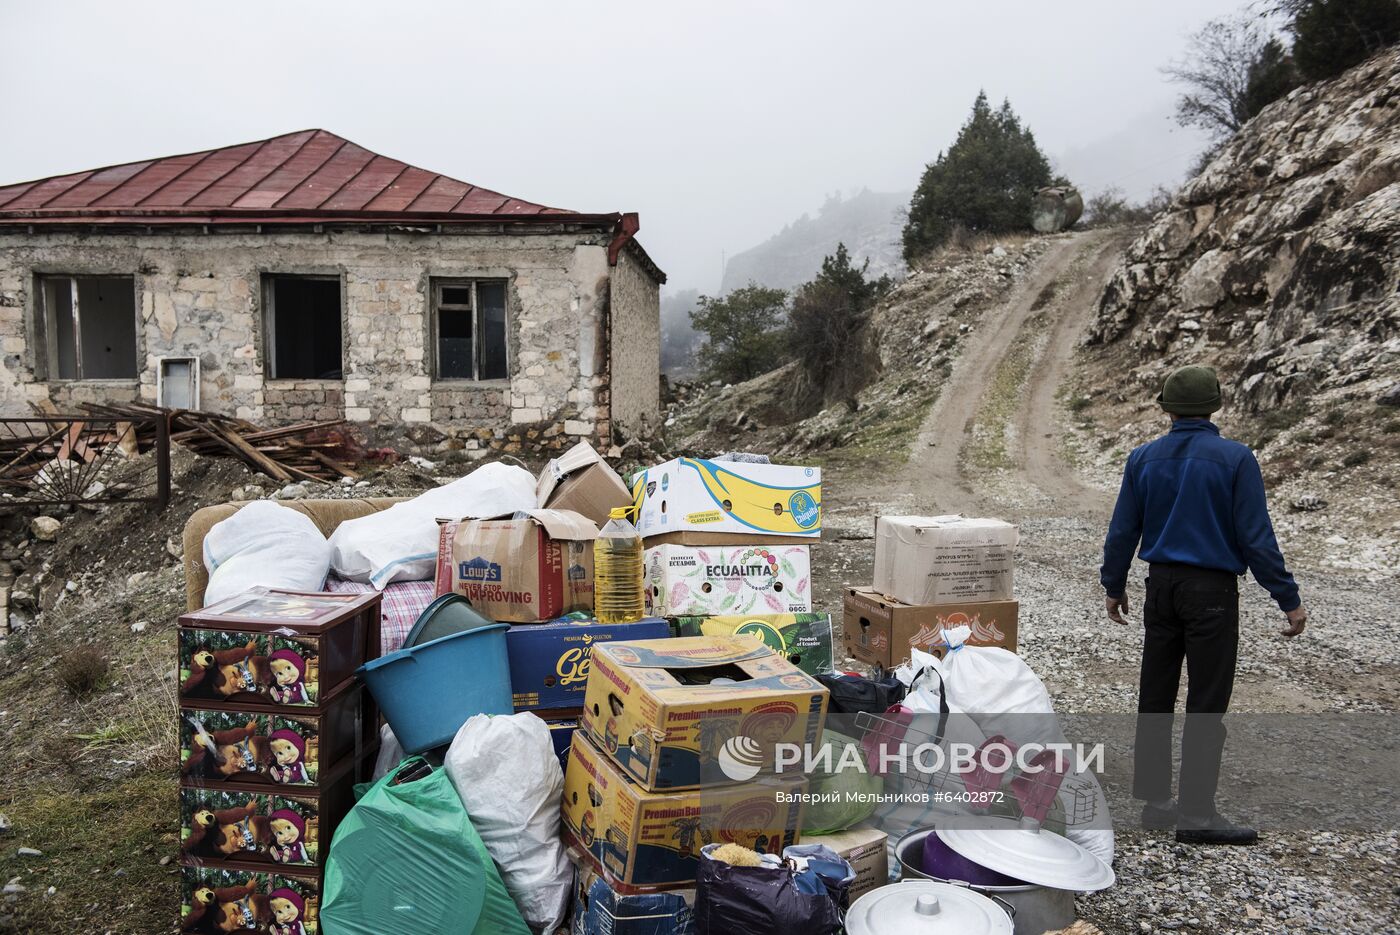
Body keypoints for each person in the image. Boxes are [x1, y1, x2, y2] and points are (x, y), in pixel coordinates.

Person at [1100, 365, 1307, 846]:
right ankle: (1196, 814)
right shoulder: (1236, 459)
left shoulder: (1142, 458)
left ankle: (1155, 802)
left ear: (1167, 407)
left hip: (1160, 588)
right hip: (1211, 593)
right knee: (1206, 703)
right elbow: (1256, 538)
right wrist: (1288, 598)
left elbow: (1122, 532)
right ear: (1215, 405)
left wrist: (1114, 585)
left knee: (1155, 696)